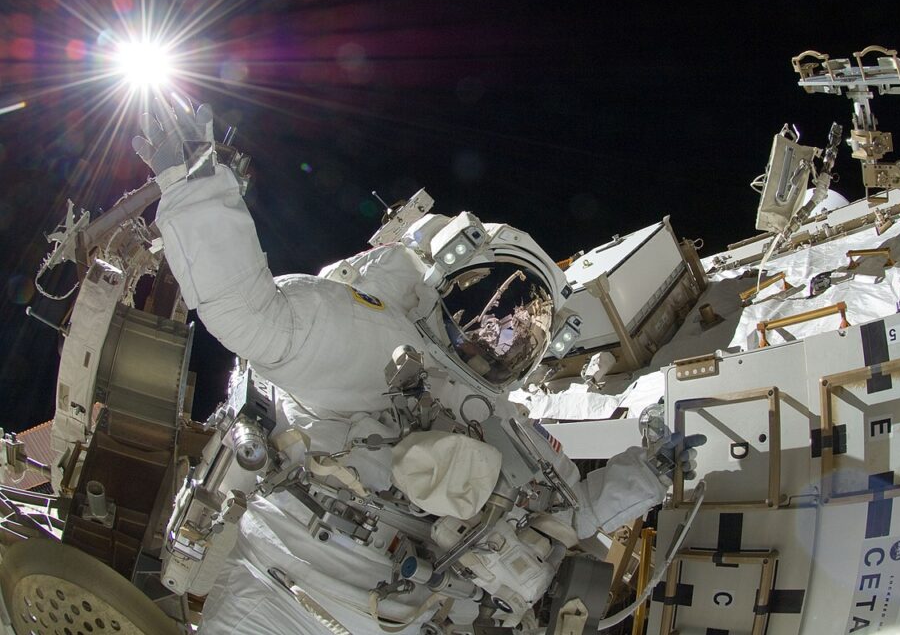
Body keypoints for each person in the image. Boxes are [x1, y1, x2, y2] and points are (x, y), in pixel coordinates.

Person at [134, 101, 693, 634]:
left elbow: (569, 517)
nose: (498, 334)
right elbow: (249, 313)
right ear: (442, 282)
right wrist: (196, 184)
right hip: (281, 592)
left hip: (392, 619)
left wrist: (647, 472)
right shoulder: (371, 342)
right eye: (489, 308)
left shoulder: (515, 433)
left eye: (526, 331)